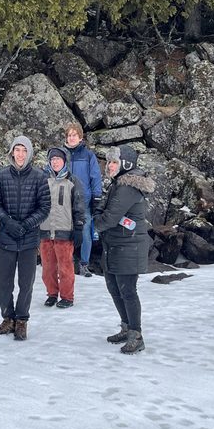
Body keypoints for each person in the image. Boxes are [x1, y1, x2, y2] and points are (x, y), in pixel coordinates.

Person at [0, 135, 51, 341]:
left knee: (26, 283)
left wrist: (25, 225)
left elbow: (44, 208)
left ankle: (22, 320)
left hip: (29, 238)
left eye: (24, 150)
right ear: (11, 152)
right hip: (7, 237)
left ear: (30, 153)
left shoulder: (39, 177)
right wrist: (8, 222)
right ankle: (8, 318)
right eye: (17, 150)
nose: (21, 154)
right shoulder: (1, 176)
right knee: (4, 282)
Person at [94, 145, 154, 354]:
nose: (109, 166)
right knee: (114, 287)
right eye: (109, 162)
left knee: (127, 290)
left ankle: (136, 335)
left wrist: (94, 225)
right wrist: (100, 218)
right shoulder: (117, 183)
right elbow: (103, 209)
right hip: (117, 244)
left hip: (128, 245)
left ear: (125, 164)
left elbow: (109, 217)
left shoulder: (127, 186)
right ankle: (127, 327)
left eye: (113, 162)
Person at [39, 147, 86, 309]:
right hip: (45, 231)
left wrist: (79, 228)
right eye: (52, 160)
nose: (55, 162)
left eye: (58, 159)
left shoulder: (73, 181)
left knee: (65, 267)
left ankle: (67, 297)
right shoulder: (42, 180)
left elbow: (79, 206)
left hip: (65, 232)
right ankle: (52, 294)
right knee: (47, 268)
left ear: (64, 161)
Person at [64, 124, 102, 277]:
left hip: (83, 200)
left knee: (86, 232)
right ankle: (67, 262)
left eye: (75, 135)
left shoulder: (88, 155)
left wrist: (96, 196)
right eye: (69, 135)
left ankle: (84, 264)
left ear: (80, 137)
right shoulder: (61, 154)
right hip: (64, 200)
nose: (72, 137)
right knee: (65, 233)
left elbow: (95, 176)